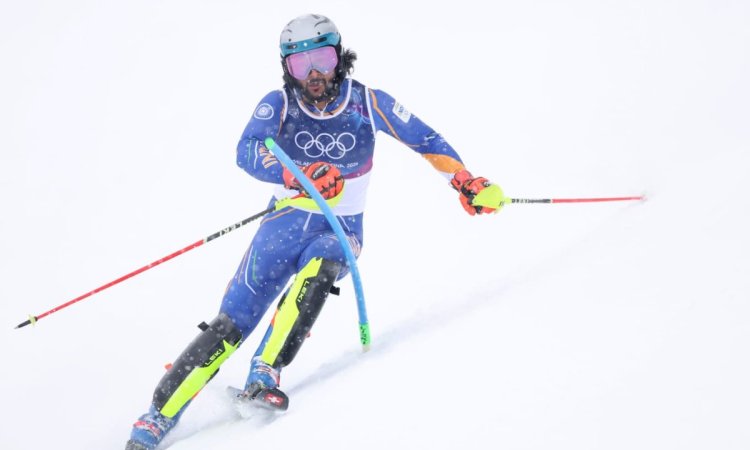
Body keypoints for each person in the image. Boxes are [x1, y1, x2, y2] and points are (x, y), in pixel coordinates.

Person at [125, 13, 502, 450]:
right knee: (230, 325)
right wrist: (295, 175)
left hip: (339, 228)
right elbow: (247, 149)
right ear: (286, 67)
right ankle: (155, 419)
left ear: (340, 57)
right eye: (300, 64)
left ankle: (265, 372)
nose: (314, 74)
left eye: (322, 59)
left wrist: (464, 180)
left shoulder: (367, 102)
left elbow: (427, 140)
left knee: (324, 263)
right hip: (281, 227)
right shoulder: (280, 103)